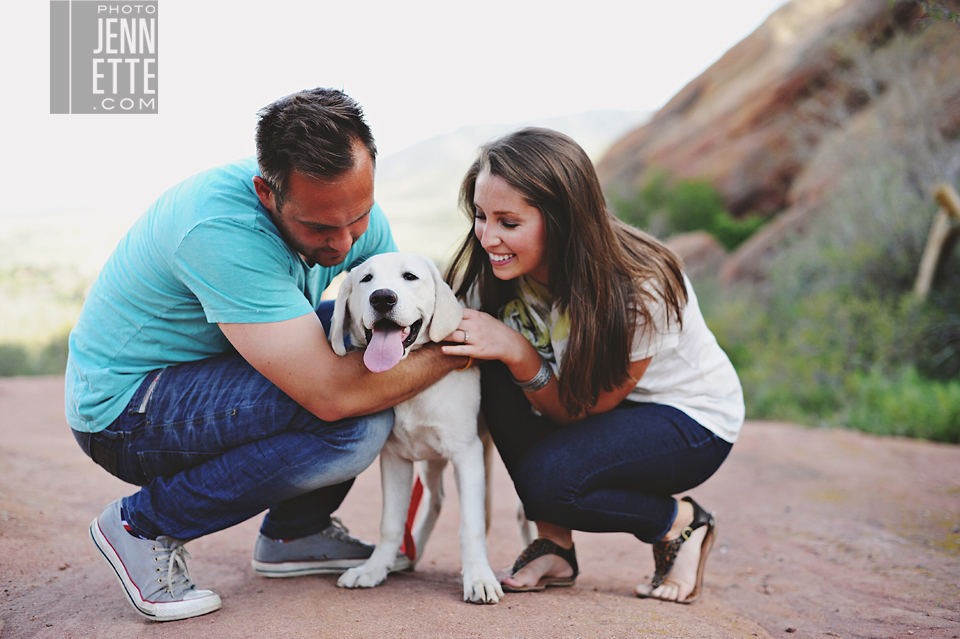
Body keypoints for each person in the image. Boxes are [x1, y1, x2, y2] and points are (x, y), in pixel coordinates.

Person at [66, 88, 467, 622]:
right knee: (353, 424)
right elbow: (331, 394)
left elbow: (404, 303)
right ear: (267, 193)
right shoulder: (221, 230)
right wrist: (455, 352)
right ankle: (143, 525)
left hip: (212, 375)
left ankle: (294, 534)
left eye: (360, 217)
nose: (345, 243)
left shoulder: (341, 208)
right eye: (320, 228)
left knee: (358, 335)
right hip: (126, 412)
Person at [440, 128, 744, 604]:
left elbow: (579, 411)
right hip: (593, 413)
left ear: (562, 219)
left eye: (508, 223)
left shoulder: (643, 287)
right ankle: (554, 545)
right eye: (480, 216)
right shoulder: (499, 272)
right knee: (491, 360)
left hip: (688, 421)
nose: (488, 237)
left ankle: (680, 523)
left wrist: (518, 350)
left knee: (550, 481)